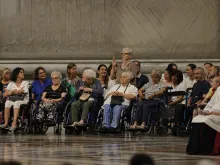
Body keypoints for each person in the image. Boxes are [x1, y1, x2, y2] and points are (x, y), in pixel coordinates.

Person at [186, 86, 220, 155]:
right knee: (197, 119)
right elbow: (211, 103)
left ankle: (207, 150)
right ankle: (195, 149)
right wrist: (206, 111)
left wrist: (214, 113)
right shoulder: (219, 89)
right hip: (211, 112)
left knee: (207, 120)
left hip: (218, 114)